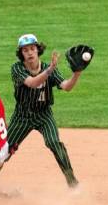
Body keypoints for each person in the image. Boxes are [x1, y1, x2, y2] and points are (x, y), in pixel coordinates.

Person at [6, 33, 82, 188]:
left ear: (38, 50)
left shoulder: (49, 68)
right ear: (21, 53)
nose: (29, 53)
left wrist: (77, 73)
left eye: (32, 48)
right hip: (22, 116)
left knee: (54, 143)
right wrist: (50, 70)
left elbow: (66, 86)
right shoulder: (17, 68)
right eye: (25, 50)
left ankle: (72, 183)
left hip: (44, 115)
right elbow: (32, 83)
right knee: (4, 151)